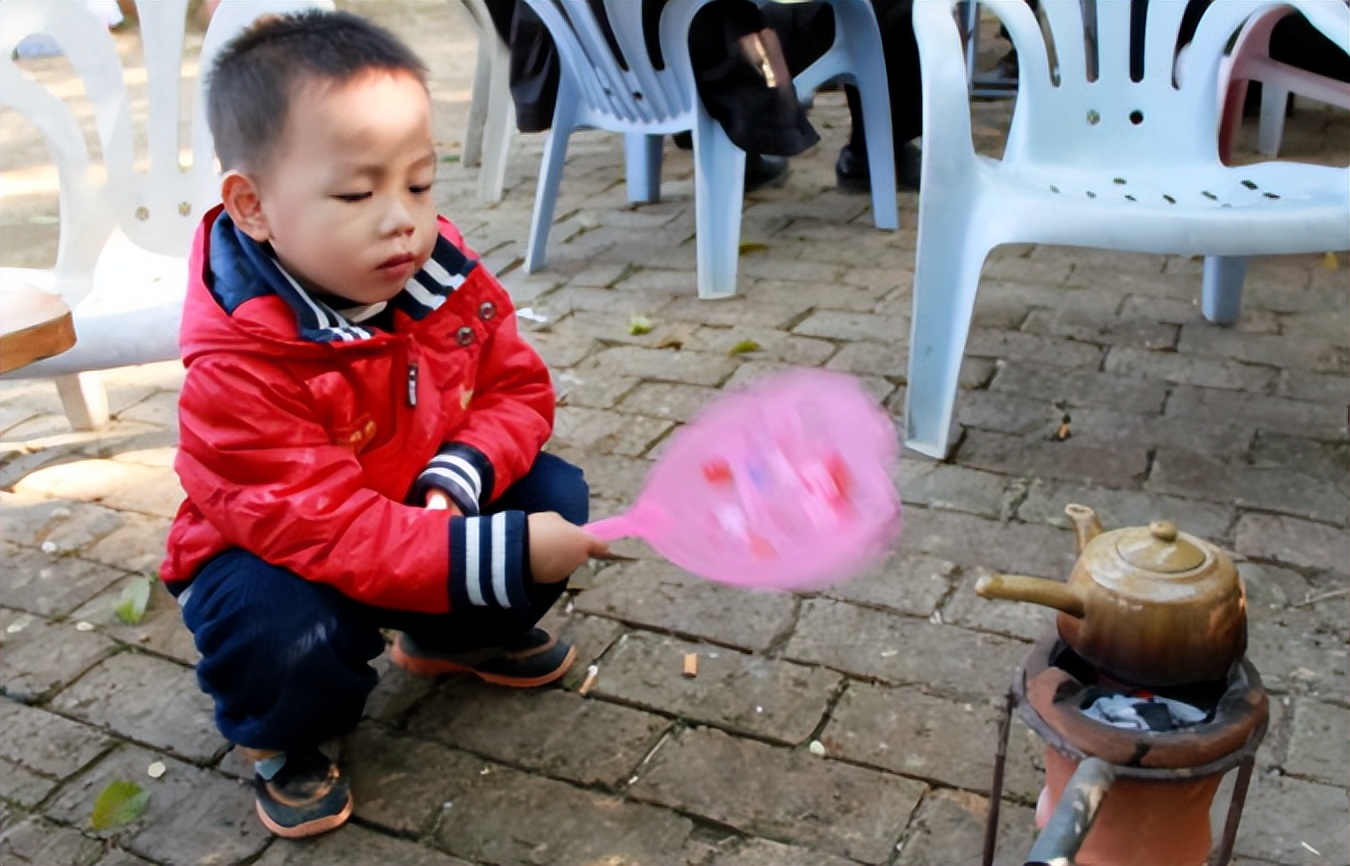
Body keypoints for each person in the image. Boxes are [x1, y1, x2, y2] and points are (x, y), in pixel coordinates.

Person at [161, 9, 608, 840]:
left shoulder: (441, 277)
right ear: (253, 206)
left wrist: (460, 472)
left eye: (421, 183)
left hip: (415, 505)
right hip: (287, 552)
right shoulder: (241, 362)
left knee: (553, 493)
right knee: (276, 626)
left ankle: (453, 639)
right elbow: (329, 531)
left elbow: (517, 390)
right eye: (357, 193)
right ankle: (283, 734)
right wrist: (499, 553)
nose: (402, 218)